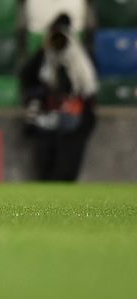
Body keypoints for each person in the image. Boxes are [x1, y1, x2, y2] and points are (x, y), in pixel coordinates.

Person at [20, 14, 98, 182]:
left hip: (77, 112)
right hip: (49, 113)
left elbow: (87, 85)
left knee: (69, 159)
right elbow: (27, 75)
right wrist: (44, 49)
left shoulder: (80, 56)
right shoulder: (45, 57)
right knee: (45, 159)